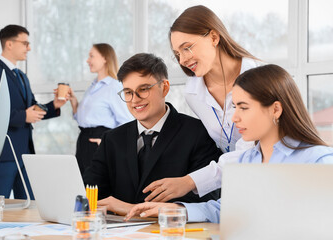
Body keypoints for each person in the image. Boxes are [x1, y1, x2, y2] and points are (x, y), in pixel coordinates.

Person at [125, 64, 333, 222]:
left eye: (243, 108)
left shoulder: (318, 161)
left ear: (275, 110)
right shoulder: (246, 160)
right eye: (234, 108)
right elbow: (228, 209)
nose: (234, 118)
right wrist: (177, 209)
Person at [143, 5, 265, 203]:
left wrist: (190, 181)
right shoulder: (193, 92)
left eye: (187, 47)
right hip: (232, 185)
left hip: (269, 177)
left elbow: (250, 151)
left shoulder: (259, 79)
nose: (183, 60)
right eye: (177, 54)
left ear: (214, 38)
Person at [83, 53, 222, 216]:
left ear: (164, 88)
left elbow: (207, 198)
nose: (135, 99)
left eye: (143, 89)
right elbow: (91, 192)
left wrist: (133, 209)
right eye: (128, 92)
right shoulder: (112, 139)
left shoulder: (198, 133)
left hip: (171, 231)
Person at [0, 25, 68, 199]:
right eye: (25, 43)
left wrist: (54, 105)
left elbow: (32, 108)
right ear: (9, 44)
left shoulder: (22, 76)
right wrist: (23, 116)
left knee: (29, 207)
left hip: (25, 155)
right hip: (2, 154)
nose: (29, 48)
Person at [69, 43, 133, 176]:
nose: (87, 60)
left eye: (91, 56)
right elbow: (86, 119)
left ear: (105, 58)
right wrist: (75, 104)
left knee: (97, 187)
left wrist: (108, 142)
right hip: (83, 140)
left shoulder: (114, 87)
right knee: (82, 184)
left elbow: (127, 122)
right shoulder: (93, 86)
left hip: (100, 141)